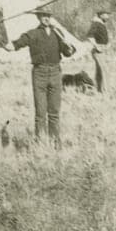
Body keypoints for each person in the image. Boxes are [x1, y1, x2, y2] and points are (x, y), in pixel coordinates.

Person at [11, 9, 76, 147]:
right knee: (40, 112)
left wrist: (70, 50)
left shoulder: (58, 33)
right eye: (43, 16)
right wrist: (0, 42)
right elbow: (15, 45)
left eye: (48, 16)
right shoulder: (32, 34)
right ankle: (40, 144)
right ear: (38, 17)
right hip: (39, 73)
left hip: (56, 73)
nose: (46, 18)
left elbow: (67, 52)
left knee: (54, 112)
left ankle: (55, 142)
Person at [85, 10, 112, 93]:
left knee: (100, 70)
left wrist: (108, 44)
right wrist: (96, 46)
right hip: (99, 50)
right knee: (105, 70)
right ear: (101, 15)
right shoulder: (96, 24)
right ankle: (106, 90)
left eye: (108, 14)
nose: (108, 16)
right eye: (106, 15)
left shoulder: (100, 24)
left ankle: (99, 89)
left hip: (102, 49)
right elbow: (89, 36)